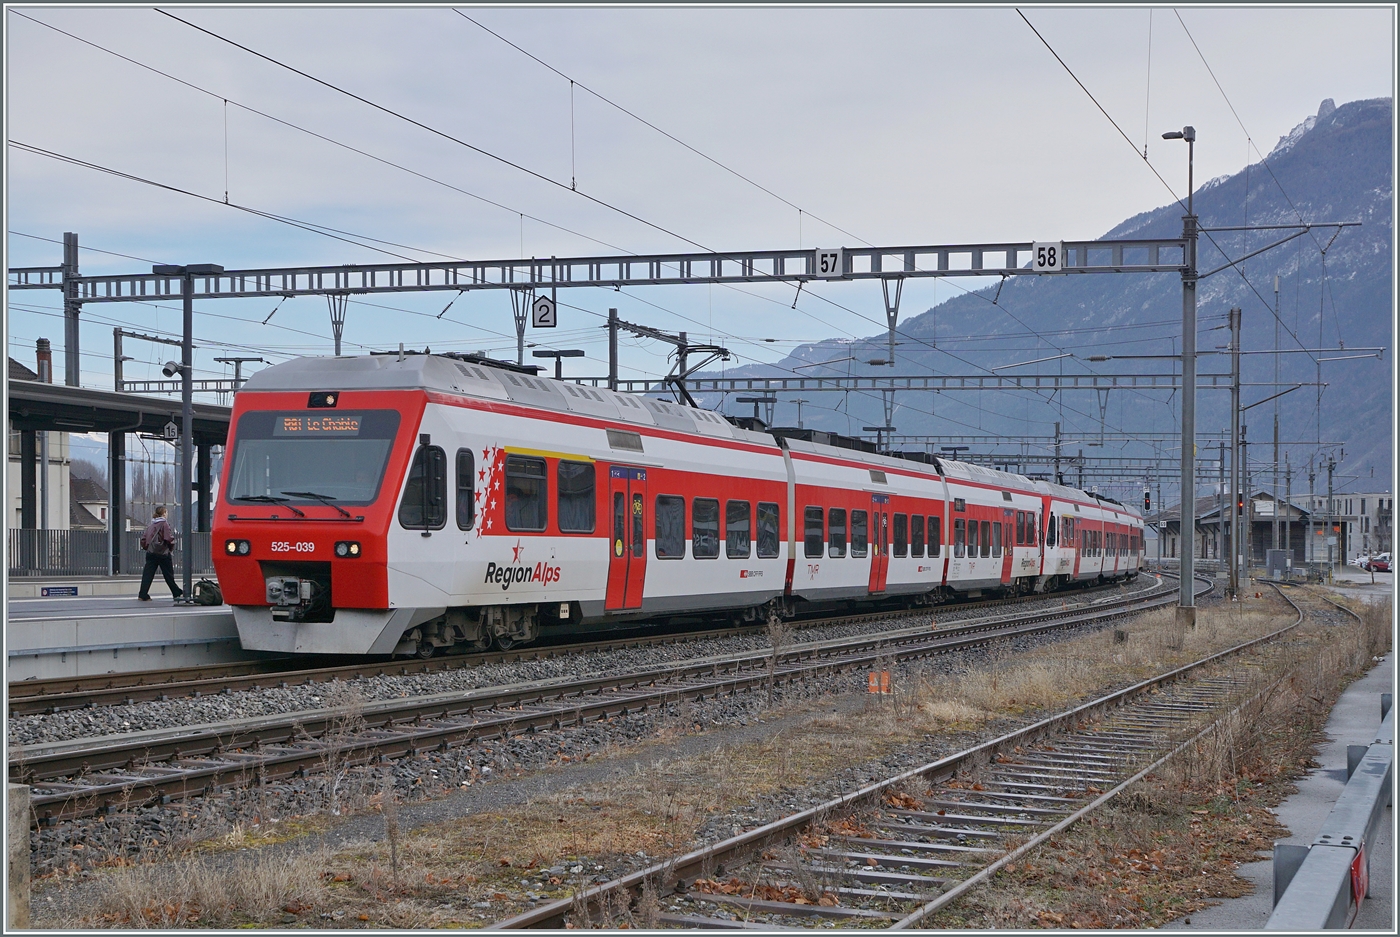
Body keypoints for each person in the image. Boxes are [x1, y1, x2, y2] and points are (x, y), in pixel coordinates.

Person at [138, 506, 184, 601]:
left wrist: (149, 548)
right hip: (163, 553)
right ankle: (176, 593)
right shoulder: (164, 524)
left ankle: (143, 594)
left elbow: (143, 539)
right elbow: (168, 538)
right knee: (168, 574)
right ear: (163, 514)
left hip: (151, 553)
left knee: (148, 574)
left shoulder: (151, 525)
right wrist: (170, 548)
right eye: (166, 512)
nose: (167, 514)